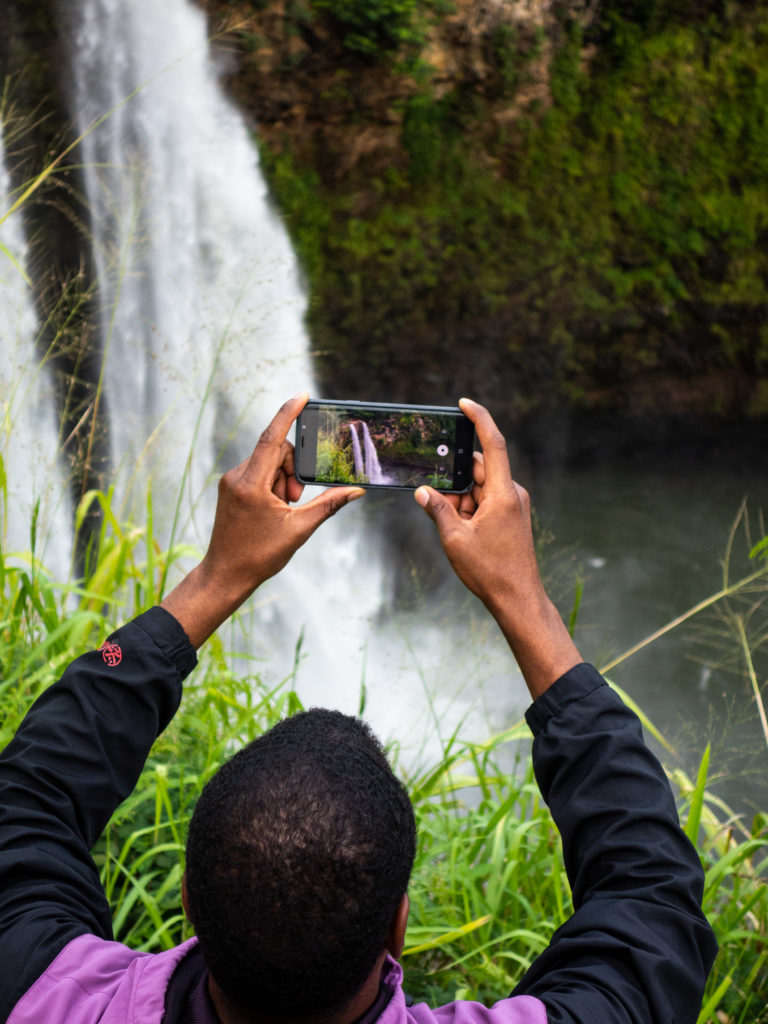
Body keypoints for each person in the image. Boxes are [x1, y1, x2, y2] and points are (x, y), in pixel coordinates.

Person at [0, 393, 717, 1024]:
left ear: (188, 901)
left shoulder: (39, 994)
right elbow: (653, 904)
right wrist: (522, 600)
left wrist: (216, 577)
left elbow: (28, 796)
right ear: (397, 933)